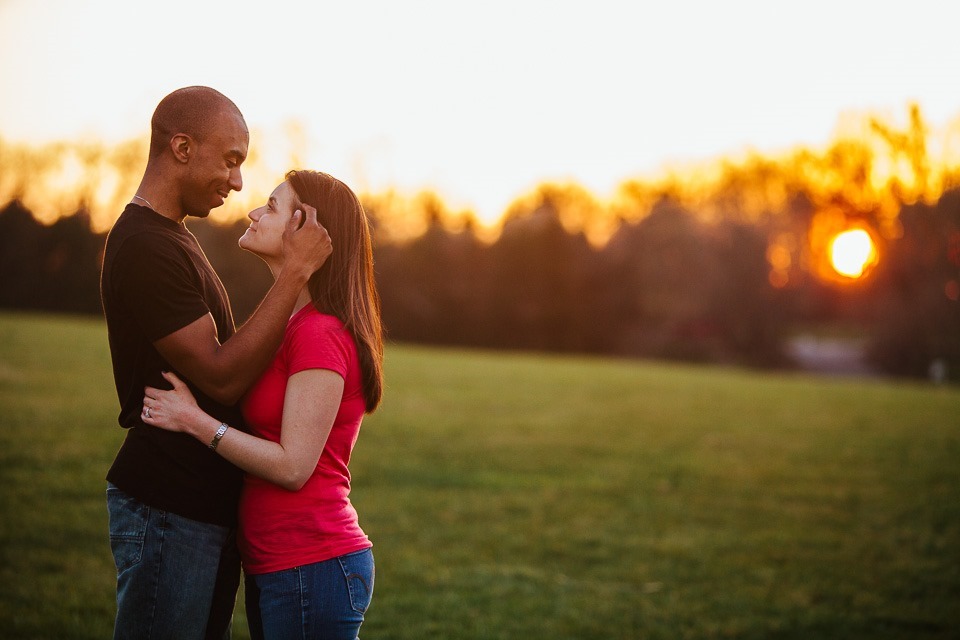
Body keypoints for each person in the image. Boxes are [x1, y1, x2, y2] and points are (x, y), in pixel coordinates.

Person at [100, 87, 332, 639]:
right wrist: (296, 273)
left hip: (197, 508)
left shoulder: (174, 238)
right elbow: (222, 375)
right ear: (181, 146)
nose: (236, 182)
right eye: (230, 160)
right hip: (168, 506)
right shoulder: (144, 248)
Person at [141, 169, 384, 640]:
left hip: (312, 562)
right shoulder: (292, 324)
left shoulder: (320, 332)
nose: (253, 211)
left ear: (306, 227)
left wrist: (195, 422)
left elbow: (294, 466)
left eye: (271, 206)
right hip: (281, 564)